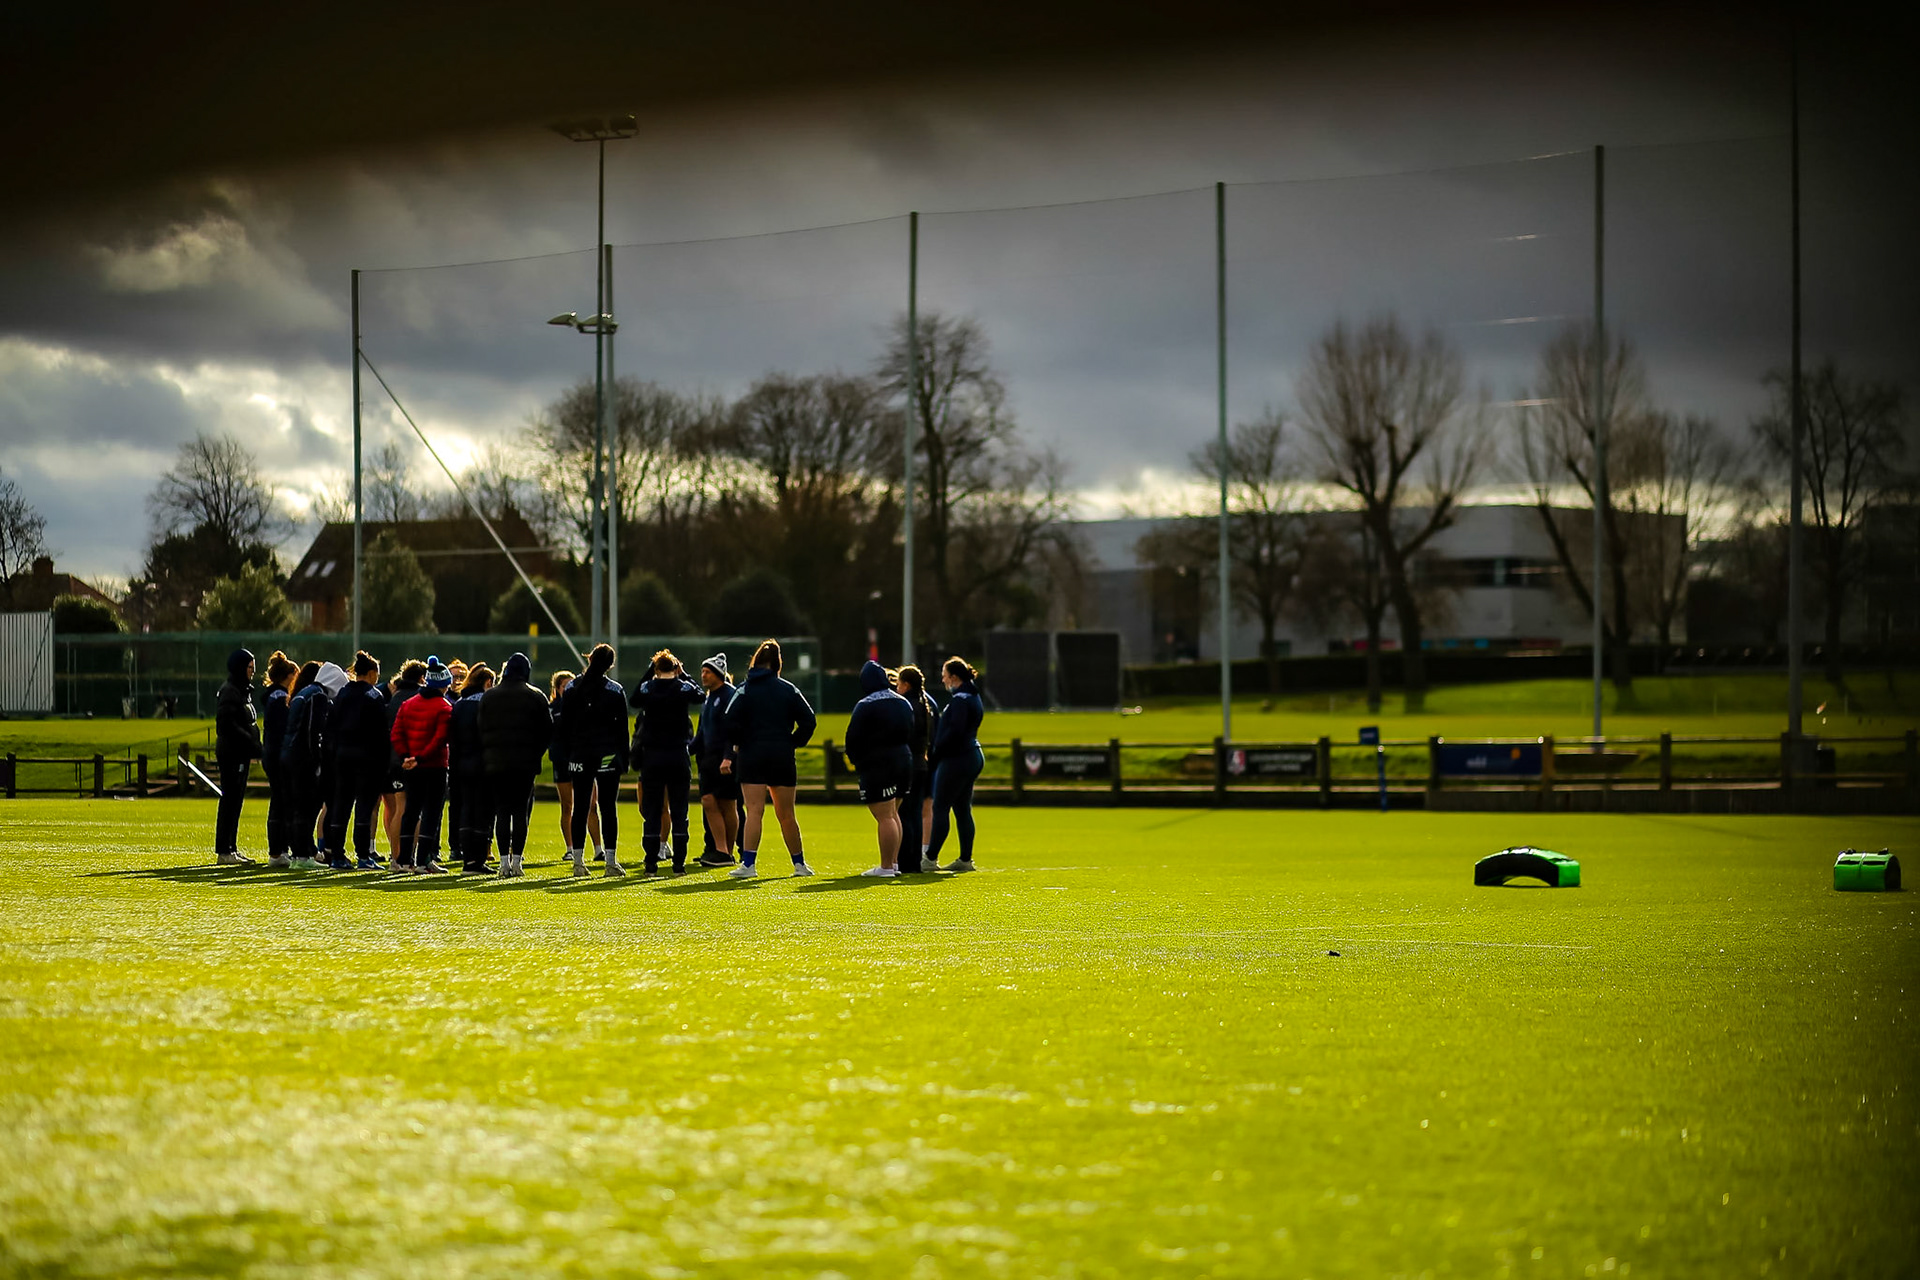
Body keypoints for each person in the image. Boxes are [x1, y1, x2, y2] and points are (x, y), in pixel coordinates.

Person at [724, 639, 817, 879]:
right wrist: (792, 742)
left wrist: (740, 742)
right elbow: (809, 720)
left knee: (754, 811)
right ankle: (799, 865)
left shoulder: (745, 689)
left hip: (752, 755)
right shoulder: (788, 689)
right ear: (778, 664)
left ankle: (748, 865)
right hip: (781, 756)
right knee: (787, 814)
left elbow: (729, 720)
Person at [629, 648, 703, 875]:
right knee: (680, 811)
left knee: (652, 810)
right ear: (675, 668)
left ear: (656, 668)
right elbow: (700, 695)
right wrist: (685, 674)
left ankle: (651, 862)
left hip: (653, 756)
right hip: (678, 754)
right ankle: (678, 864)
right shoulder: (682, 687)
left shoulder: (648, 688)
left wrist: (647, 673)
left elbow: (633, 700)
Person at [559, 644, 629, 877]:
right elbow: (622, 729)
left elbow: (564, 725)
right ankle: (610, 861)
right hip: (607, 754)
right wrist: (624, 758)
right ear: (610, 665)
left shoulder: (572, 687)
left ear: (589, 659)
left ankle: (578, 862)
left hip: (579, 753)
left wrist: (568, 753)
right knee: (608, 807)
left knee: (580, 807)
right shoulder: (614, 689)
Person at [480, 652, 550, 879]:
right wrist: (535, 753)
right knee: (520, 812)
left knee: (502, 811)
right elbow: (547, 732)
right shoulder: (536, 696)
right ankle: (517, 861)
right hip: (525, 764)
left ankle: (502, 863)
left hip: (496, 763)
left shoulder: (489, 697)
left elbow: (481, 729)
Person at [844, 659, 914, 878]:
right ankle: (893, 864)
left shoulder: (865, 705)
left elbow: (852, 738)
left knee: (884, 816)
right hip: (903, 759)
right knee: (893, 813)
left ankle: (885, 866)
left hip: (878, 764)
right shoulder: (903, 702)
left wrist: (856, 761)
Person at [324, 651, 390, 871]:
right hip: (367, 759)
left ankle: (337, 856)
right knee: (364, 807)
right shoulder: (374, 696)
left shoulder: (341, 694)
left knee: (341, 807)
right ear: (371, 673)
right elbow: (381, 734)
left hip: (342, 757)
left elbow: (330, 727)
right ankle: (363, 856)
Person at [390, 655, 454, 874]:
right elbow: (440, 740)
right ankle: (423, 861)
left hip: (411, 767)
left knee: (410, 812)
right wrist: (420, 758)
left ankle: (403, 860)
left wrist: (406, 757)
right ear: (444, 684)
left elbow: (396, 734)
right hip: (434, 766)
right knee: (431, 814)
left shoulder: (408, 704)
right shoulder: (444, 707)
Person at [282, 660, 348, 868]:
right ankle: (303, 856)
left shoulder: (303, 693)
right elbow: (314, 731)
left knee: (298, 807)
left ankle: (299, 853)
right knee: (307, 807)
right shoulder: (317, 696)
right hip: (304, 759)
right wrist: (317, 760)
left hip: (290, 755)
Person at [925, 656, 985, 873]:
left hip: (957, 758)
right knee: (962, 809)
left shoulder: (960, 700)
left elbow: (954, 732)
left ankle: (930, 858)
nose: (943, 680)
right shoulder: (973, 696)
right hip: (971, 754)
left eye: (945, 676)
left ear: (954, 677)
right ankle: (965, 859)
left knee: (940, 807)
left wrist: (936, 752)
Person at [213, 647, 263, 865]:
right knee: (230, 801)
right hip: (232, 754)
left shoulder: (241, 691)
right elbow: (227, 724)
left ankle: (230, 848)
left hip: (239, 753)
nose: (252, 672)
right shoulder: (231, 691)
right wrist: (251, 743)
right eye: (250, 667)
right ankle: (225, 849)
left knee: (235, 801)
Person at [548, 670, 604, 863]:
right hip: (562, 761)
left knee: (591, 805)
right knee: (568, 806)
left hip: (583, 759)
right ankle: (570, 848)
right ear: (557, 689)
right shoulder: (553, 709)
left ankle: (598, 848)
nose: (570, 688)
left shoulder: (583, 705)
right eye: (565, 685)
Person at [691, 653, 739, 868]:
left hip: (724, 759)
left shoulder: (729, 695)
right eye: (702, 671)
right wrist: (687, 750)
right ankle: (721, 850)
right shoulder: (708, 698)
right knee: (709, 801)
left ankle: (725, 851)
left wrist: (729, 756)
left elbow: (734, 730)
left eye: (707, 672)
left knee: (728, 804)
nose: (703, 675)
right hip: (709, 759)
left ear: (718, 674)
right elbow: (702, 732)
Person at [448, 662, 496, 873]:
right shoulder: (487, 703)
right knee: (483, 812)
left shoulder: (459, 704)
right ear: (487, 682)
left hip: (462, 764)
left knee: (466, 810)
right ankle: (479, 859)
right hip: (484, 764)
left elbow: (453, 738)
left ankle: (467, 859)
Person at [382, 659, 426, 858]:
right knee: (413, 810)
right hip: (412, 759)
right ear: (421, 678)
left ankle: (395, 856)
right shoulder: (418, 698)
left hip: (393, 759)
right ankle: (408, 855)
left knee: (399, 809)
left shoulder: (395, 697)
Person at [895, 664, 937, 873]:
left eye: (898, 683)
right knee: (916, 814)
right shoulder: (925, 704)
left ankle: (904, 862)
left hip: (909, 763)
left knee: (904, 813)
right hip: (922, 763)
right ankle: (915, 861)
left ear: (906, 684)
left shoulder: (906, 705)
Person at [259, 651, 300, 867]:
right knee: (281, 802)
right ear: (290, 676)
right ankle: (277, 851)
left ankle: (280, 849)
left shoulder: (274, 696)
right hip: (278, 755)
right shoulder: (280, 698)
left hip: (273, 754)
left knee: (280, 801)